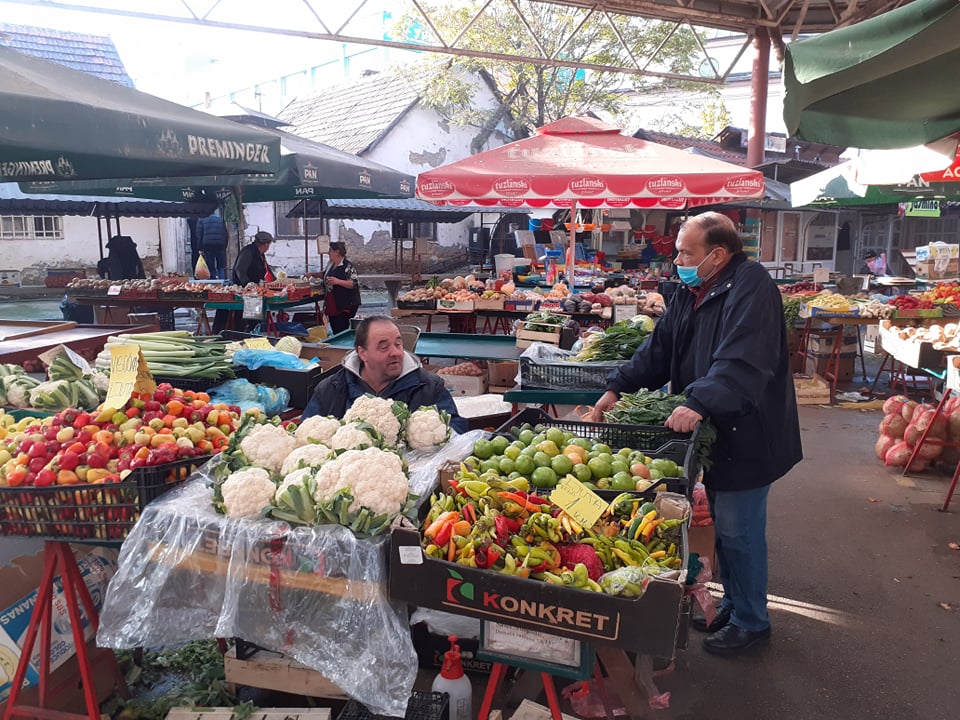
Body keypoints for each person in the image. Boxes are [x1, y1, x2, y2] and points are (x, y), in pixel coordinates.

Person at [590, 211, 802, 657]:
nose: (677, 261)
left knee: (741, 530)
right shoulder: (693, 291)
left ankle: (752, 623)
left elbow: (742, 358)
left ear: (717, 255)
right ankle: (736, 606)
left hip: (749, 429)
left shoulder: (752, 287)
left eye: (686, 253)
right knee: (725, 528)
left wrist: (700, 400)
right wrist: (617, 387)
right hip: (716, 429)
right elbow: (659, 347)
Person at [302, 316, 467, 433]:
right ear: (363, 353)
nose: (395, 352)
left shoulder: (429, 387)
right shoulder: (331, 389)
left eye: (398, 344)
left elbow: (457, 429)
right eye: (384, 347)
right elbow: (305, 432)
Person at [212, 231, 276, 334]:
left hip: (253, 291)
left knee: (255, 314)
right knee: (243, 315)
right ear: (265, 244)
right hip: (241, 289)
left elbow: (266, 270)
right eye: (269, 244)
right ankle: (241, 332)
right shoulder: (248, 252)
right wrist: (248, 286)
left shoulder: (260, 255)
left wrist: (275, 281)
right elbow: (239, 270)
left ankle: (251, 330)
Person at [323, 241, 362, 335]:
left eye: (330, 250)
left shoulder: (347, 266)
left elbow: (354, 283)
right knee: (335, 327)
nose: (328, 253)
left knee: (341, 328)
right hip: (333, 302)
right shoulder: (331, 264)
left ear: (337, 252)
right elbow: (325, 274)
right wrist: (312, 274)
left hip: (346, 303)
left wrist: (337, 281)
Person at [196, 209, 229, 279]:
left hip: (208, 245)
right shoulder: (220, 220)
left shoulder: (201, 220)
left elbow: (199, 235)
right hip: (220, 245)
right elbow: (225, 234)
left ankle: (213, 281)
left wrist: (199, 248)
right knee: (221, 266)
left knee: (211, 265)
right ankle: (222, 280)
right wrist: (224, 246)